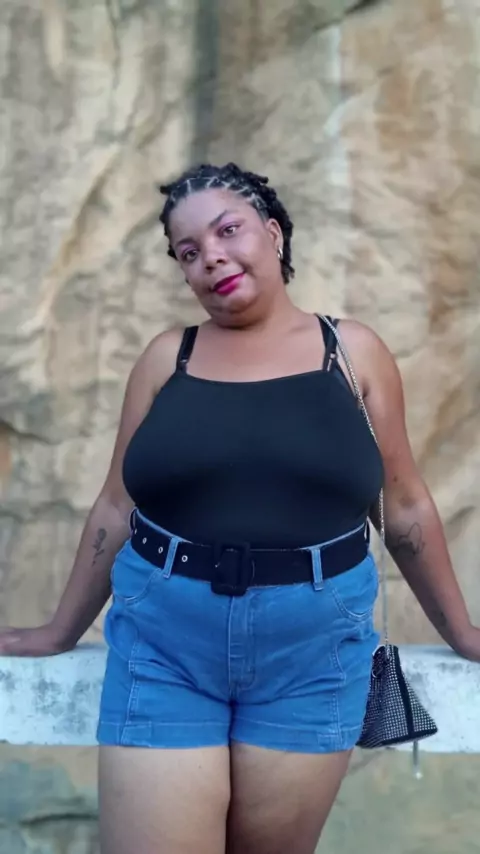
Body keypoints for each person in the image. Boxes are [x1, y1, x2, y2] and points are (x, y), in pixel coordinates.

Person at [1, 162, 479, 854]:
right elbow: (114, 508)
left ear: (274, 234)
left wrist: (463, 633)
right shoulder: (167, 360)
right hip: (164, 644)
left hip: (313, 651)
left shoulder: (353, 354)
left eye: (228, 231)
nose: (211, 257)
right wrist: (57, 631)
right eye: (188, 251)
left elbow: (403, 509)